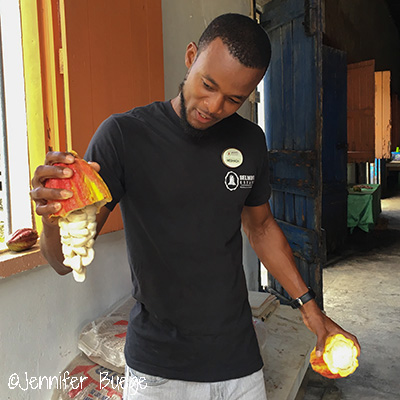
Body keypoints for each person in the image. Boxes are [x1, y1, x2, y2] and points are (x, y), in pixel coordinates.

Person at [31, 13, 360, 400]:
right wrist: (55, 214)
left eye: (234, 99)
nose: (214, 105)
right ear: (191, 56)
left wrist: (310, 308)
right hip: (157, 368)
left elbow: (261, 228)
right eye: (208, 85)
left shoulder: (250, 141)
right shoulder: (123, 136)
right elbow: (63, 261)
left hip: (238, 362)